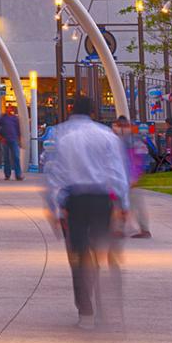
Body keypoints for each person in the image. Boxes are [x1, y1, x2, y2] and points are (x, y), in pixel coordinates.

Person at [44, 97, 129, 330]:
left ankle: (86, 313)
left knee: (79, 257)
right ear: (93, 111)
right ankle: (108, 311)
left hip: (75, 202)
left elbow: (53, 174)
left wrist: (54, 208)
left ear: (71, 110)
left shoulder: (60, 135)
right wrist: (123, 205)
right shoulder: (106, 135)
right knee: (105, 253)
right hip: (102, 201)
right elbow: (117, 173)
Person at [115, 117, 151, 238]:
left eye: (123, 126)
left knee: (132, 203)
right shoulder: (120, 140)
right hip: (122, 178)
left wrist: (135, 176)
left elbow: (139, 160)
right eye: (119, 125)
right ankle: (120, 229)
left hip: (131, 179)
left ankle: (143, 230)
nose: (121, 128)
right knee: (122, 204)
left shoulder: (133, 141)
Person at [0, 108, 23, 181]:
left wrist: (19, 139)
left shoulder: (15, 118)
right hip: (5, 140)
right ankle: (7, 174)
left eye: (11, 109)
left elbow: (18, 129)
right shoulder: (3, 118)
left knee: (16, 157)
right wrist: (1, 137)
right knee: (6, 158)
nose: (9, 110)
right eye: (8, 108)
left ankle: (18, 174)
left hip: (14, 139)